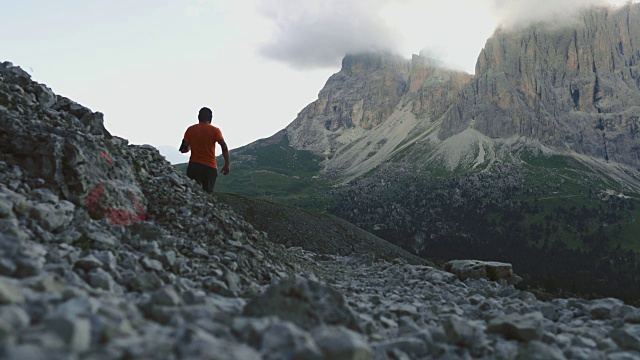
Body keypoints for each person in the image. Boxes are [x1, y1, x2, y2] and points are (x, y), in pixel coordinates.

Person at [179, 107, 229, 193]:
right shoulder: (215, 131)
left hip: (194, 166)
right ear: (211, 118)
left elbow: (183, 149)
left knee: (193, 193)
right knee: (208, 195)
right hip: (210, 167)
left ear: (198, 117)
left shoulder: (190, 129)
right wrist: (227, 164)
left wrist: (193, 144)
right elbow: (224, 147)